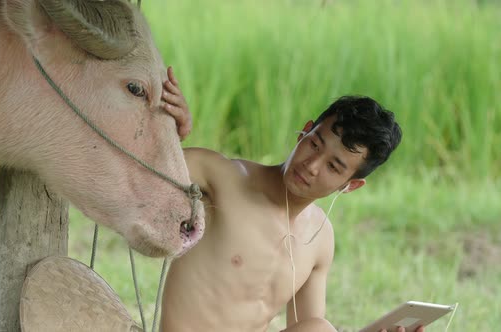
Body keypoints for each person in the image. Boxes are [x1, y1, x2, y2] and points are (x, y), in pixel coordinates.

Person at [159, 67, 417, 332]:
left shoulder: (320, 237)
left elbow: (303, 326)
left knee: (317, 328)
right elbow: (139, 166)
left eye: (333, 167)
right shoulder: (223, 178)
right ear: (304, 131)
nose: (312, 165)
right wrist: (172, 132)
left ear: (350, 186)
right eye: (315, 144)